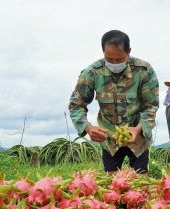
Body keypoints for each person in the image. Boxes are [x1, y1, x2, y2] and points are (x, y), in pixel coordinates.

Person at [68, 30, 159, 174]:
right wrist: (88, 128)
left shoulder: (143, 71)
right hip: (109, 139)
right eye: (109, 59)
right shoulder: (92, 73)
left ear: (129, 51)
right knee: (112, 186)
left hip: (138, 138)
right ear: (103, 52)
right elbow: (76, 105)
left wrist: (138, 128)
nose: (114, 63)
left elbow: (151, 106)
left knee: (141, 184)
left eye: (119, 59)